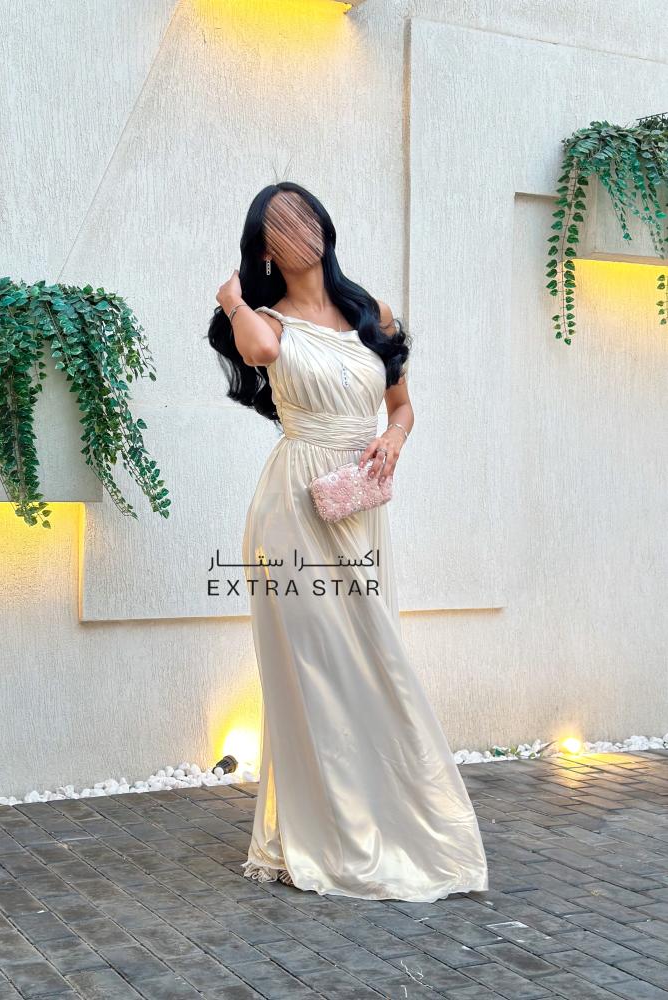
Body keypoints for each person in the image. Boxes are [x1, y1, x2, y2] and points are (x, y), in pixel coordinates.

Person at [208, 182, 488, 902]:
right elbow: (259, 349)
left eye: (307, 215)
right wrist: (234, 298)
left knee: (373, 659)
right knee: (314, 668)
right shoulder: (266, 321)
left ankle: (391, 816)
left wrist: (393, 440)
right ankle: (325, 830)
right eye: (282, 224)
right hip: (291, 508)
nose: (301, 230)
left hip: (357, 505)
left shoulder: (372, 314)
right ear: (265, 247)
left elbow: (401, 405)